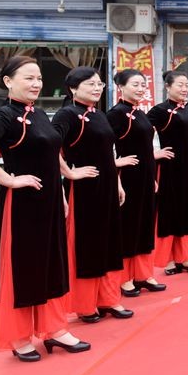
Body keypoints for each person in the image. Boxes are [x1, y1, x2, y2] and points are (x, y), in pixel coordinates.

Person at [0, 56, 91, 360]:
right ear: (8, 82)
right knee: (23, 271)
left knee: (52, 265)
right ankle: (19, 337)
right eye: (28, 78)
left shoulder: (41, 116)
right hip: (21, 208)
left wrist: (61, 192)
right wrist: (9, 179)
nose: (36, 84)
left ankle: (56, 330)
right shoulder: (3, 116)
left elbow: (50, 157)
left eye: (39, 79)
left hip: (49, 203)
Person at [52, 67, 130, 324]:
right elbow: (50, 148)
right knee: (88, 246)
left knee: (109, 243)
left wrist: (117, 183)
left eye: (99, 84)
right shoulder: (67, 114)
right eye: (90, 85)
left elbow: (108, 151)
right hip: (84, 190)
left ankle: (108, 299)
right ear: (73, 89)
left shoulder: (99, 114)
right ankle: (85, 305)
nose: (97, 89)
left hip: (107, 186)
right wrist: (70, 174)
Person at [107, 69, 170, 298]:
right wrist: (116, 162)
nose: (141, 88)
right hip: (128, 178)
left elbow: (146, 148)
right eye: (135, 84)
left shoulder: (140, 113)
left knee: (144, 225)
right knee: (128, 226)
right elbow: (103, 145)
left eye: (143, 84)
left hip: (145, 176)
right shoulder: (115, 114)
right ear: (121, 87)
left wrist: (152, 177)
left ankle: (143, 274)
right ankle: (124, 279)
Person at [147, 71, 188, 276]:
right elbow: (141, 135)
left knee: (187, 210)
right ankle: (168, 259)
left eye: (186, 84)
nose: (184, 88)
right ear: (168, 87)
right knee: (168, 212)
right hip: (168, 168)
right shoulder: (159, 111)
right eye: (179, 84)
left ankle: (185, 257)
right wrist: (154, 153)